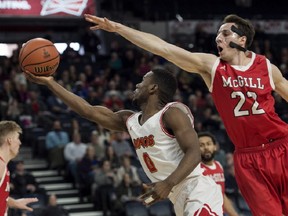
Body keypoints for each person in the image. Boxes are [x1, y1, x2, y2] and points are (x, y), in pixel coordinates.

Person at [84, 13, 288, 215]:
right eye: (217, 34)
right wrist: (119, 28)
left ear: (242, 40)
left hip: (282, 146)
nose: (218, 38)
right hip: (248, 157)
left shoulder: (267, 68)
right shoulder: (212, 67)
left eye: (225, 34)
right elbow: (164, 49)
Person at [25, 68, 223, 215]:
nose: (137, 85)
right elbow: (88, 111)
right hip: (176, 194)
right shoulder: (130, 120)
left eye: (143, 81)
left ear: (154, 88)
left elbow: (194, 153)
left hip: (197, 188)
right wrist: (51, 83)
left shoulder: (172, 113)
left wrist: (166, 183)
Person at [0, 120, 38, 215]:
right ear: (9, 140)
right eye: (17, 138)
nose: (20, 143)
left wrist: (13, 202)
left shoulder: (3, 165)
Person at [198, 132, 239, 216]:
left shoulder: (218, 165)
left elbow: (222, 195)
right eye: (201, 145)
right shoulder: (196, 169)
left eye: (208, 144)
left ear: (215, 147)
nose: (206, 147)